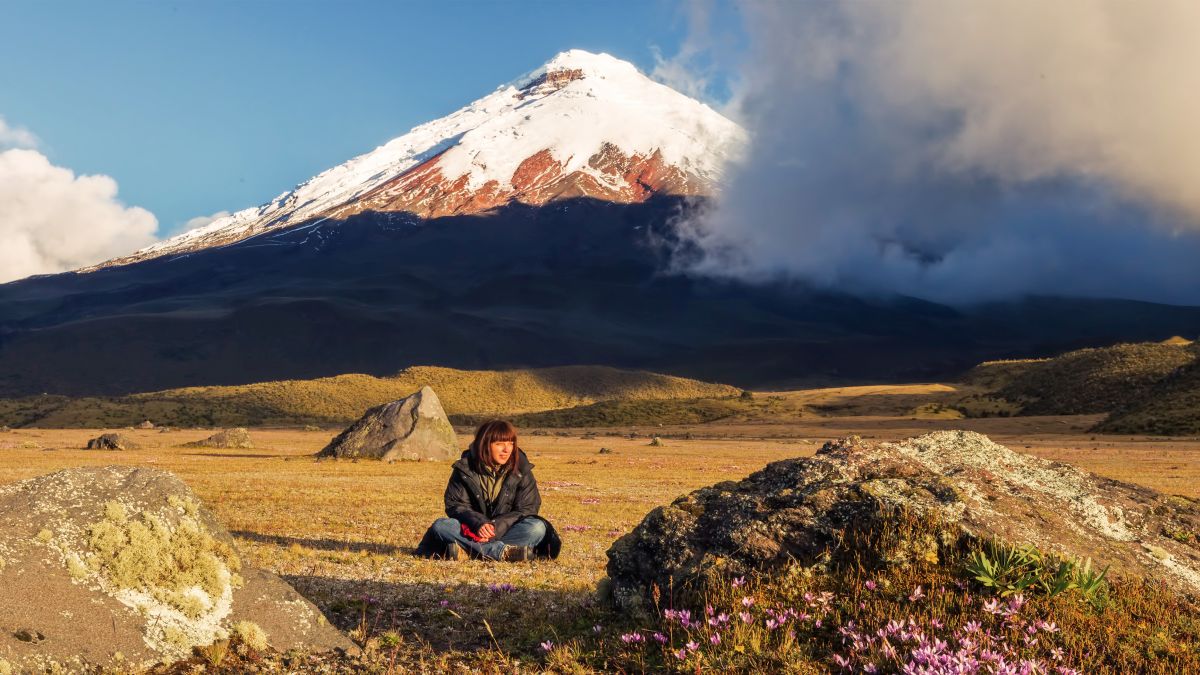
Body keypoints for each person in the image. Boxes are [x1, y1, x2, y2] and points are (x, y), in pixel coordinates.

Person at [414, 420, 560, 561]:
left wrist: (495, 528)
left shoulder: (522, 468)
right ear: (484, 444)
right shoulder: (465, 468)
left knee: (536, 528)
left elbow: (527, 509)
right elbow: (456, 505)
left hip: (507, 531)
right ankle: (501, 552)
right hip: (472, 530)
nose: (507, 449)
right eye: (499, 444)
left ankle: (470, 551)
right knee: (442, 525)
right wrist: (479, 523)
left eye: (511, 443)